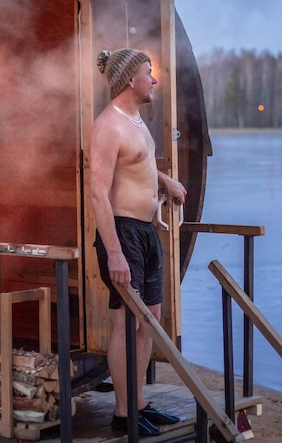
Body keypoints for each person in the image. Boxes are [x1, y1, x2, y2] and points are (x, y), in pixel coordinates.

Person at [90, 48, 186, 436]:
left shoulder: (136, 119)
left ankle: (140, 402)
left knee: (151, 319)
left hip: (146, 231)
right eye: (150, 73)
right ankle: (122, 413)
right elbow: (98, 194)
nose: (155, 79)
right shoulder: (107, 126)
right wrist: (113, 252)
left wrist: (166, 181)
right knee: (126, 323)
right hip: (123, 233)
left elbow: (140, 161)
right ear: (131, 79)